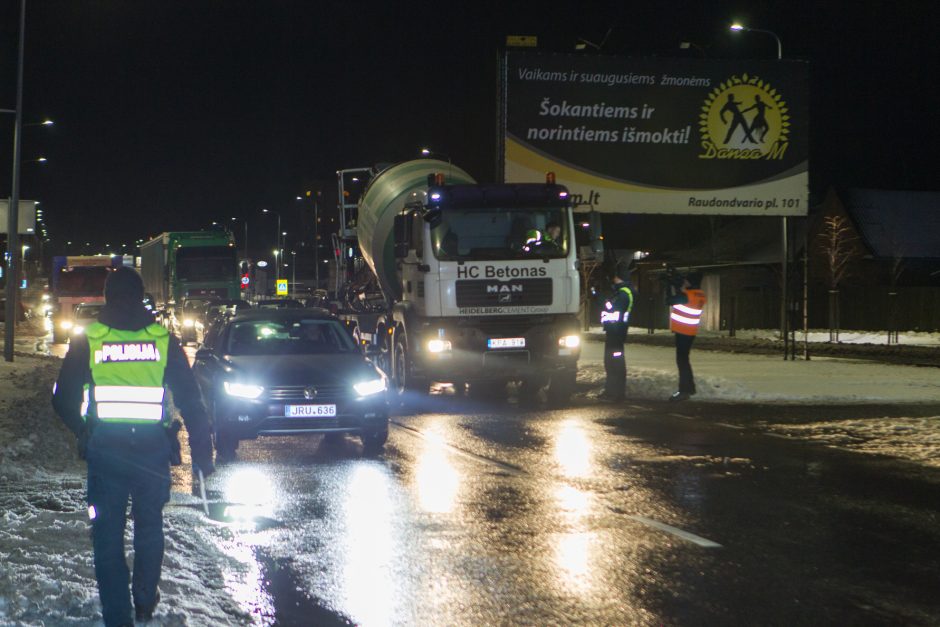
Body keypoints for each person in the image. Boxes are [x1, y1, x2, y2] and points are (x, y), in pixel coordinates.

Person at [52, 267, 214, 626]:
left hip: (106, 453)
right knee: (149, 527)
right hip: (152, 453)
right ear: (142, 296)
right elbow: (192, 400)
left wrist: (84, 430)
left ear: (108, 297)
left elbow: (62, 399)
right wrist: (203, 454)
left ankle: (118, 617)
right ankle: (143, 600)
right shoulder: (162, 339)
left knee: (107, 538)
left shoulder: (90, 339)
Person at [666, 270, 707, 401]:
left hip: (683, 332)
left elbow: (669, 300)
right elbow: (680, 299)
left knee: (682, 361)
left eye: (687, 280)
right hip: (690, 331)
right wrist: (677, 287)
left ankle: (684, 390)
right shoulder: (699, 294)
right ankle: (689, 387)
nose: (685, 282)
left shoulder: (688, 295)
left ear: (692, 281)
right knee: (685, 360)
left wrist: (669, 285)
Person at [598, 261, 635, 401]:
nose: (613, 279)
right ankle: (610, 391)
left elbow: (612, 309)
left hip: (617, 333)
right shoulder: (620, 292)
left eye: (615, 277)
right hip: (614, 332)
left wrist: (602, 299)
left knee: (616, 364)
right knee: (610, 363)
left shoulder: (624, 294)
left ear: (619, 277)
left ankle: (616, 393)